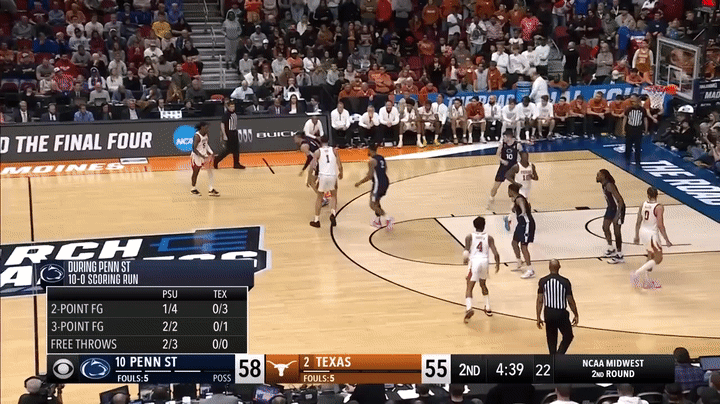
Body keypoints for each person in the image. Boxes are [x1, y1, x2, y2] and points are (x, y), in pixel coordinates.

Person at [462, 216, 501, 322]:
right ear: (484, 226)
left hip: (474, 262)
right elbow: (496, 253)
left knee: (469, 287)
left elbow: (466, 252)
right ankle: (488, 307)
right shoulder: (489, 237)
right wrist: (498, 264)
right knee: (483, 284)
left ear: (474, 226)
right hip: (485, 262)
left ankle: (469, 308)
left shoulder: (469, 236)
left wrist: (464, 260)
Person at [536, 260, 579, 354]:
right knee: (568, 336)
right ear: (559, 267)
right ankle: (559, 355)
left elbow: (540, 300)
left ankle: (553, 359)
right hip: (561, 313)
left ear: (549, 267)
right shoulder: (565, 282)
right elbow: (570, 301)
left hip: (548, 313)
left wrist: (538, 316)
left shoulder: (543, 281)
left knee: (551, 340)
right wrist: (576, 314)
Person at [632, 186, 671, 290]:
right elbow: (660, 225)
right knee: (658, 258)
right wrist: (666, 239)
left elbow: (638, 221)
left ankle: (647, 281)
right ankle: (636, 273)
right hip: (651, 234)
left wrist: (636, 235)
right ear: (657, 195)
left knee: (650, 257)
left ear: (648, 195)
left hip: (643, 232)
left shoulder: (643, 205)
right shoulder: (659, 207)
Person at [355, 144, 393, 229]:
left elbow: (369, 176)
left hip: (378, 184)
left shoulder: (372, 161)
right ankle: (377, 221)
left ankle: (388, 218)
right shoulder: (381, 158)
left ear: (370, 150)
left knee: (372, 205)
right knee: (377, 201)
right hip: (385, 181)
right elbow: (385, 169)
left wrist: (359, 182)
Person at [308, 136, 343, 228]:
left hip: (323, 176)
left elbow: (312, 166)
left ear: (320, 142)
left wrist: (309, 177)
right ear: (329, 141)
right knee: (333, 196)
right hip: (333, 176)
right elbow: (339, 164)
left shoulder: (318, 152)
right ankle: (333, 214)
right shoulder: (334, 151)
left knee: (319, 198)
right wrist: (341, 173)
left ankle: (316, 220)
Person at [597, 169, 626, 263]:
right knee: (605, 227)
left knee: (617, 231)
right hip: (611, 208)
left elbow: (620, 200)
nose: (597, 177)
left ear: (604, 176)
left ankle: (619, 255)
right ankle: (610, 248)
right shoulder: (604, 184)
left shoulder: (609, 185)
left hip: (618, 208)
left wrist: (618, 215)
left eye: (598, 175)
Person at [509, 183, 536, 279]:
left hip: (527, 224)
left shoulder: (519, 199)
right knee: (514, 243)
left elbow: (522, 205)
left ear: (511, 191)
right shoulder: (517, 199)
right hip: (521, 224)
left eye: (509, 190)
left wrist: (523, 211)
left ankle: (530, 270)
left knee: (524, 247)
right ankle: (519, 262)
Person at [295, 131, 328, 207]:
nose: (295, 140)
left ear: (299, 138)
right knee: (315, 181)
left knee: (311, 182)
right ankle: (324, 195)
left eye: (295, 138)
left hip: (318, 162)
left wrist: (303, 169)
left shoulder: (303, 146)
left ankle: (323, 199)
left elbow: (310, 158)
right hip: (323, 159)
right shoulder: (309, 139)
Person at [489, 130, 522, 205]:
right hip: (503, 168)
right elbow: (497, 155)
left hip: (513, 168)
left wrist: (519, 163)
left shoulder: (517, 145)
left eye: (504, 137)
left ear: (508, 137)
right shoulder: (502, 145)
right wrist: (502, 160)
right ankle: (491, 198)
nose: (503, 138)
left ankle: (515, 202)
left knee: (515, 186)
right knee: (495, 186)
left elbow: (522, 156)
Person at [214, 100, 246, 170]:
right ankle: (217, 159)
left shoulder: (234, 113)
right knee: (228, 150)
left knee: (236, 149)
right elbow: (222, 124)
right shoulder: (226, 114)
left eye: (233, 106)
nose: (232, 108)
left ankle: (236, 163)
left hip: (234, 132)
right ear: (228, 107)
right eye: (231, 107)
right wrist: (224, 134)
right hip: (229, 132)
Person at [190, 121, 219, 196]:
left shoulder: (206, 135)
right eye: (206, 128)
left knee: (210, 172)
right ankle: (193, 188)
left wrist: (211, 152)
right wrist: (202, 155)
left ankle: (211, 189)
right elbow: (194, 149)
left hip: (204, 156)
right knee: (196, 172)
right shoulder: (197, 136)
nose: (207, 129)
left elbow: (206, 145)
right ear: (202, 127)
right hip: (196, 156)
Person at [623, 94, 649, 165]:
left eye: (634, 101)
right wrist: (623, 129)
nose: (633, 103)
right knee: (628, 146)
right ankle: (627, 160)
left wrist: (646, 129)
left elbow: (645, 119)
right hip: (630, 129)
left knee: (638, 147)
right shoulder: (629, 109)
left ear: (637, 101)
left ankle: (638, 161)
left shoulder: (642, 110)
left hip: (638, 129)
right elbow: (625, 119)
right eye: (632, 102)